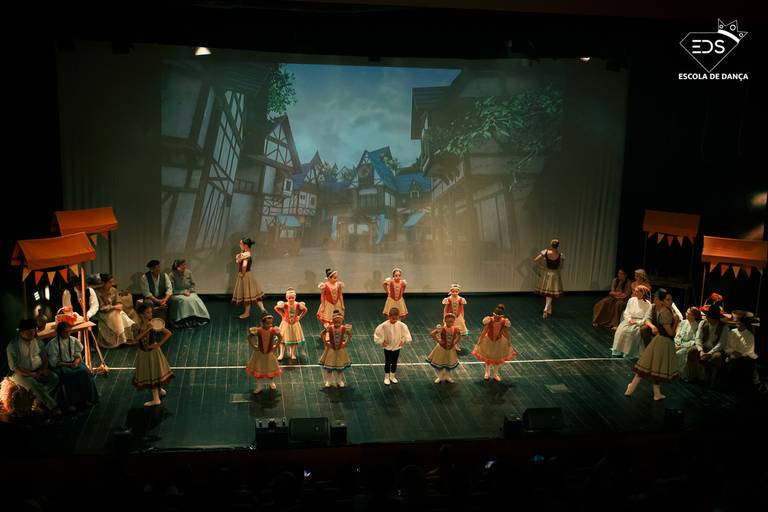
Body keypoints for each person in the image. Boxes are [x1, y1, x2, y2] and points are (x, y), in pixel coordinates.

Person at [624, 288, 680, 401]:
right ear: (662, 301)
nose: (670, 302)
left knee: (654, 368)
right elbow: (671, 333)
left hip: (661, 341)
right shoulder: (665, 312)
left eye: (671, 299)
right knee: (648, 367)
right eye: (667, 299)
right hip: (663, 342)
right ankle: (632, 387)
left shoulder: (666, 310)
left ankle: (654, 393)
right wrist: (677, 322)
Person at [6, 319, 61, 415]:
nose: (32, 333)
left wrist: (43, 370)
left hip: (38, 370)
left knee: (54, 378)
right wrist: (32, 375)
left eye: (33, 331)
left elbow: (45, 359)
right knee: (33, 384)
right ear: (22, 332)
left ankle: (37, 401)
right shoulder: (13, 345)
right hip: (21, 374)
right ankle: (53, 407)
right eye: (29, 332)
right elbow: (15, 368)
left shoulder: (38, 342)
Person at [46, 322, 98, 410]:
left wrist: (76, 362)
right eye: (65, 332)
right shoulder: (53, 344)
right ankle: (71, 402)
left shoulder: (73, 340)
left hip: (74, 362)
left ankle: (88, 398)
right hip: (62, 365)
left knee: (85, 372)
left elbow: (78, 354)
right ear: (60, 332)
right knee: (69, 375)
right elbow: (54, 362)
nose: (68, 334)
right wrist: (69, 364)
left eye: (69, 331)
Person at [133, 303, 174, 406]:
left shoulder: (154, 324)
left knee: (153, 373)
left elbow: (168, 333)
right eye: (148, 312)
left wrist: (158, 344)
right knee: (152, 372)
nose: (150, 314)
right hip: (143, 353)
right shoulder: (137, 325)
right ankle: (159, 391)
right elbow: (136, 338)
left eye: (151, 312)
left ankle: (156, 399)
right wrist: (148, 329)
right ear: (141, 315)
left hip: (153, 353)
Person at [686, 304, 730, 386]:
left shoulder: (724, 327)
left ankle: (711, 381)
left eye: (712, 318)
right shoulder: (703, 323)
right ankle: (693, 376)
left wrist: (709, 353)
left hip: (716, 350)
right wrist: (701, 350)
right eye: (709, 317)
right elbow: (698, 338)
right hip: (704, 348)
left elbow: (721, 344)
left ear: (717, 318)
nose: (709, 319)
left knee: (717, 357)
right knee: (691, 351)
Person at [472, 304, 515, 381]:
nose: (497, 318)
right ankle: (487, 373)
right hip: (489, 340)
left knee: (497, 358)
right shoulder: (490, 320)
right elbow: (484, 331)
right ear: (493, 314)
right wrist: (480, 339)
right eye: (496, 316)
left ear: (501, 316)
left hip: (499, 341)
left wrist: (508, 340)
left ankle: (495, 374)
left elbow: (505, 332)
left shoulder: (503, 321)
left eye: (499, 317)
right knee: (488, 357)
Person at [721, 311, 759, 393]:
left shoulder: (750, 335)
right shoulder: (732, 332)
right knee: (728, 362)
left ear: (744, 324)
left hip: (744, 357)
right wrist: (732, 353)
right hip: (732, 355)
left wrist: (739, 354)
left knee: (744, 364)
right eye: (737, 322)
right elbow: (727, 346)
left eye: (740, 323)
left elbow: (748, 350)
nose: (737, 324)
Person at [94, 273, 135, 348]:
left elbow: (119, 304)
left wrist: (114, 307)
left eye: (112, 282)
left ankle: (124, 338)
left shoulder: (114, 290)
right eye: (109, 282)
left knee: (120, 314)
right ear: (103, 283)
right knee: (117, 315)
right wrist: (113, 307)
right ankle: (122, 339)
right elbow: (102, 308)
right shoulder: (97, 292)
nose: (111, 284)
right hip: (102, 313)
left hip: (114, 311)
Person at [610, 284, 651, 358]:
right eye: (634, 291)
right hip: (630, 320)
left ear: (642, 293)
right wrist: (629, 319)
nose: (635, 293)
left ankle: (629, 352)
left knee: (632, 332)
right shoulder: (631, 300)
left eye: (637, 291)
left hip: (639, 322)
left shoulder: (648, 304)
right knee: (621, 331)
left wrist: (637, 322)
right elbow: (626, 312)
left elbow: (647, 318)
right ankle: (619, 350)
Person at [374, 307, 412, 385]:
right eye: (392, 318)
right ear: (389, 316)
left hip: (397, 346)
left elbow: (405, 333)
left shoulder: (401, 325)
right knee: (387, 362)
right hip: (388, 347)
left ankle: (392, 376)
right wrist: (381, 341)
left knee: (394, 362)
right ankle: (386, 377)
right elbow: (377, 333)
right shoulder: (384, 325)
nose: (394, 320)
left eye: (396, 319)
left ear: (398, 317)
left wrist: (403, 340)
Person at [246, 315, 283, 393]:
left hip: (269, 354)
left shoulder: (273, 330)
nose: (269, 325)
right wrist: (254, 346)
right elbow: (249, 337)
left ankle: (271, 382)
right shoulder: (258, 330)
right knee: (259, 369)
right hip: (259, 354)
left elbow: (280, 337)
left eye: (270, 323)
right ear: (262, 323)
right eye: (267, 323)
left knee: (270, 368)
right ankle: (259, 386)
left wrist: (276, 346)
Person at [168, 259, 210, 328]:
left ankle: (199, 317)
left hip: (189, 292)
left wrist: (190, 291)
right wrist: (182, 292)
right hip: (177, 293)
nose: (184, 266)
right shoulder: (172, 275)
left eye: (185, 265)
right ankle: (185, 320)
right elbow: (171, 289)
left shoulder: (188, 272)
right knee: (185, 300)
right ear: (177, 267)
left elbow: (193, 284)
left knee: (195, 298)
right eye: (182, 265)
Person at [233, 238, 267, 319]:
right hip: (249, 275)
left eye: (241, 244)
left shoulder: (246, 254)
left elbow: (244, 265)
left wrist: (242, 274)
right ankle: (263, 309)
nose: (240, 245)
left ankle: (247, 313)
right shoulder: (244, 253)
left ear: (245, 245)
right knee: (253, 293)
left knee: (247, 294)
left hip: (245, 275)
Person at [318, 310, 352, 387]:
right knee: (329, 367)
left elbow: (349, 335)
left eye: (339, 322)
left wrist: (345, 343)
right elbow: (322, 334)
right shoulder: (330, 328)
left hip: (340, 349)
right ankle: (329, 381)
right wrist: (326, 343)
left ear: (341, 321)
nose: (337, 323)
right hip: (331, 349)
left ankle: (339, 380)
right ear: (333, 321)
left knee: (340, 367)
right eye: (336, 322)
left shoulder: (343, 328)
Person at [274, 287, 307, 361]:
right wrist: (282, 314)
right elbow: (276, 308)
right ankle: (281, 354)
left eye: (292, 298)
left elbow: (305, 310)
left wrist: (300, 317)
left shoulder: (298, 304)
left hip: (295, 324)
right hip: (286, 323)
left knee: (293, 338)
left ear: (295, 297)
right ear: (286, 298)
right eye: (289, 298)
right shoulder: (284, 304)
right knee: (283, 339)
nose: (291, 299)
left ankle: (292, 353)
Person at [427, 313, 461, 384]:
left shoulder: (455, 329)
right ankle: (439, 377)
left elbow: (459, 335)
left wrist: (455, 342)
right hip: (441, 348)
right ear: (445, 321)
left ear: (454, 321)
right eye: (448, 321)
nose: (450, 323)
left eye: (451, 321)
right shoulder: (442, 329)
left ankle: (447, 377)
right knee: (441, 362)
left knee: (449, 362)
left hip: (450, 349)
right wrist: (438, 341)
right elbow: (432, 333)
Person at [533, 239, 563, 319]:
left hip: (547, 273)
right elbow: (561, 267)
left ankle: (548, 309)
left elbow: (536, 259)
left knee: (549, 293)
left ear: (551, 245)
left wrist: (542, 266)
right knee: (550, 293)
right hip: (555, 274)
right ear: (557, 246)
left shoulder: (546, 252)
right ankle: (547, 309)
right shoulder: (560, 255)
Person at [673, 307, 702, 378]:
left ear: (694, 316)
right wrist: (677, 343)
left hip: (687, 346)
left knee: (679, 354)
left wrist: (681, 346)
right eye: (687, 313)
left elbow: (693, 340)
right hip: (678, 343)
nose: (687, 315)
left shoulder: (697, 326)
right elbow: (678, 334)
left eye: (689, 314)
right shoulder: (683, 322)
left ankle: (678, 373)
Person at [442, 284, 469, 351]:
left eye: (456, 292)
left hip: (458, 317)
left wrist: (462, 317)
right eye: (453, 291)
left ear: (458, 292)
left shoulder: (461, 299)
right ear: (451, 291)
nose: (455, 293)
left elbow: (462, 309)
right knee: (450, 331)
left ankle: (456, 344)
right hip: (450, 318)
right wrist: (445, 317)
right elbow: (445, 309)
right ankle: (449, 344)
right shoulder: (448, 299)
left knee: (458, 332)